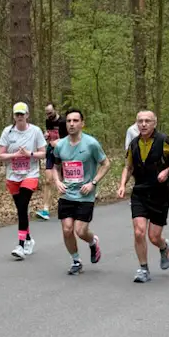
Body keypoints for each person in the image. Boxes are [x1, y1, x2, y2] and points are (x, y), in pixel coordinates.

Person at [118, 110, 169, 282]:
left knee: (154, 237)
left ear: (154, 123)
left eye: (147, 121)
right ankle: (143, 269)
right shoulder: (133, 144)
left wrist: (168, 170)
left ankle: (164, 247)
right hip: (139, 192)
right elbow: (128, 167)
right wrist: (122, 185)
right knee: (139, 231)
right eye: (140, 121)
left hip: (159, 193)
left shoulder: (164, 140)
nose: (143, 124)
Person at [53, 108, 111, 275]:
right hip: (66, 193)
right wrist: (57, 181)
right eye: (69, 121)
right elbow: (55, 166)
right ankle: (76, 260)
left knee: (80, 231)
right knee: (67, 229)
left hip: (85, 194)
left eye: (75, 121)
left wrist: (93, 183)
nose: (71, 124)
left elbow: (106, 164)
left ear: (82, 124)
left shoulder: (91, 144)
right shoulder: (60, 145)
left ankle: (92, 242)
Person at [0, 102, 47, 260]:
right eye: (17, 114)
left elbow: (43, 153)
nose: (19, 117)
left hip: (30, 174)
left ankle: (20, 245)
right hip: (12, 176)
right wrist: (15, 156)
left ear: (27, 115)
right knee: (21, 209)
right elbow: (0, 155)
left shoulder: (35, 131)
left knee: (23, 205)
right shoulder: (8, 132)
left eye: (22, 114)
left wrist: (29, 154)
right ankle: (28, 239)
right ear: (14, 116)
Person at [41, 104, 67, 220]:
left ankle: (65, 205)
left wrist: (59, 141)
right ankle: (45, 209)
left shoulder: (63, 122)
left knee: (61, 180)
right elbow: (49, 134)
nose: (48, 115)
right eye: (46, 113)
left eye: (50, 113)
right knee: (47, 180)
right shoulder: (48, 121)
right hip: (51, 151)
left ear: (55, 110)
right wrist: (46, 136)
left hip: (63, 153)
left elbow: (69, 138)